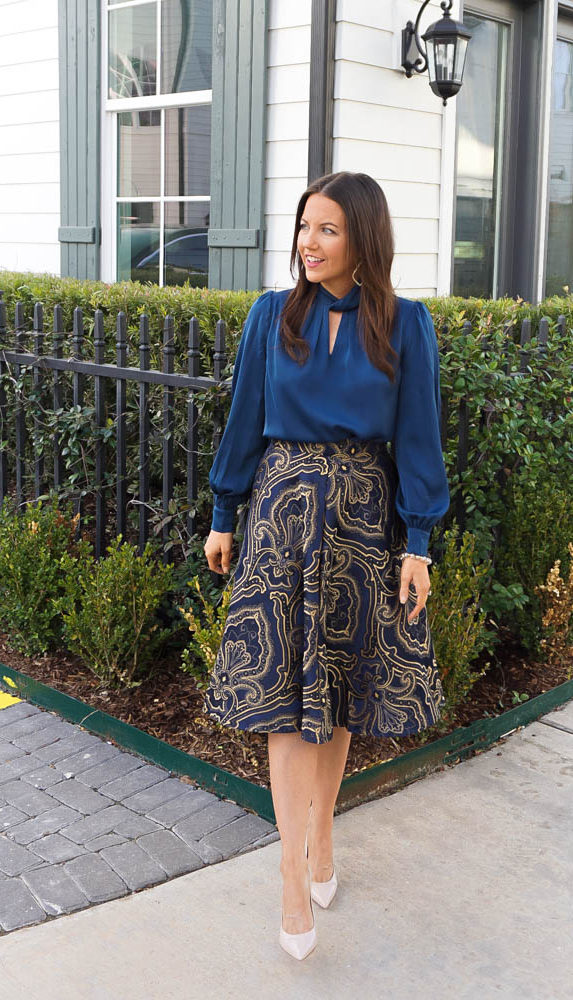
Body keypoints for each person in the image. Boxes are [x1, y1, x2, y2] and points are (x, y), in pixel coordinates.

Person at [202, 171, 450, 960]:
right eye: (305, 226)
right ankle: (288, 875)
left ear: (363, 239)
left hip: (362, 522)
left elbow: (418, 438)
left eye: (328, 230)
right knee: (284, 700)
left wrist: (419, 541)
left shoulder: (405, 325)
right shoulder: (271, 315)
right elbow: (244, 417)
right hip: (280, 516)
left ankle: (323, 840)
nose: (308, 243)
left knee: (340, 692)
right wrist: (222, 511)